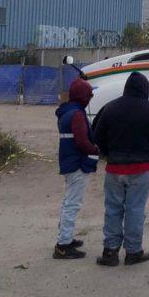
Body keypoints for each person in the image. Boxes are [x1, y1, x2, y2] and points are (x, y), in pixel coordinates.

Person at [93, 71, 149, 266]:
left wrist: (106, 152)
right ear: (145, 89)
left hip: (114, 168)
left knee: (112, 209)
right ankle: (134, 252)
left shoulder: (110, 108)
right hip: (141, 168)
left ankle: (110, 252)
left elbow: (97, 134)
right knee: (135, 209)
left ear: (126, 88)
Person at [53, 78, 100, 260]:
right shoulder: (78, 114)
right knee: (73, 204)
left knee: (68, 202)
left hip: (68, 161)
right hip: (77, 163)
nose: (90, 98)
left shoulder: (65, 113)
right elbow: (82, 141)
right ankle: (63, 245)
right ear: (82, 96)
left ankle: (65, 239)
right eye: (88, 95)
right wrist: (95, 149)